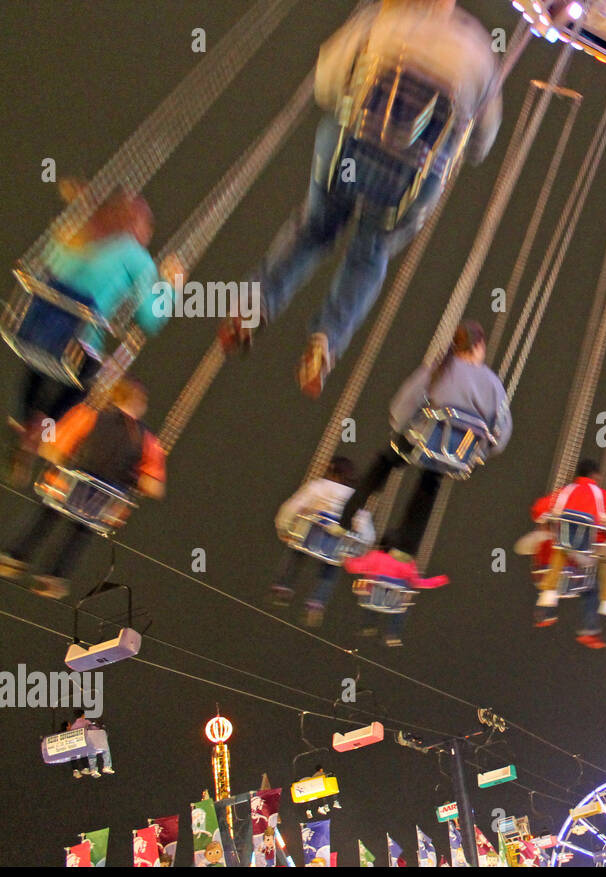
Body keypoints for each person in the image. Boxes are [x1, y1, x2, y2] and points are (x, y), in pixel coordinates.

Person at [218, 0, 503, 397]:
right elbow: (481, 145)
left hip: (349, 151)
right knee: (370, 254)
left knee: (314, 229)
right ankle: (326, 342)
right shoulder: (479, 50)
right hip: (408, 182)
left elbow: (327, 79)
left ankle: (253, 306)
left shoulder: (383, 19)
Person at [9, 184, 181, 477]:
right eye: (147, 224)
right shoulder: (136, 258)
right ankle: (39, 429)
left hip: (36, 326)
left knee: (39, 368)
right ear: (135, 224)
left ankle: (29, 426)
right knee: (87, 384)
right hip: (75, 340)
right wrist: (171, 287)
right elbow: (151, 319)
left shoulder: (78, 231)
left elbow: (48, 263)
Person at [339, 321, 510, 557]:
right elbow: (501, 431)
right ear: (479, 346)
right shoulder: (494, 385)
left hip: (422, 441)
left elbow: (404, 405)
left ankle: (349, 512)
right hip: (457, 454)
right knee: (431, 480)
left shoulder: (439, 368)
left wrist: (400, 428)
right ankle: (406, 545)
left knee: (388, 459)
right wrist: (479, 453)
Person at [0, 379, 165, 598]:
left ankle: (16, 557)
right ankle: (54, 577)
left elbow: (54, 447)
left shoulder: (88, 415)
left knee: (46, 515)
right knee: (79, 533)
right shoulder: (147, 441)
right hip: (101, 503)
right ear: (140, 403)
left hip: (69, 487)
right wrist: (136, 480)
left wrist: (57, 458)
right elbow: (154, 486)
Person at [532, 459, 606, 647]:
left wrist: (549, 518)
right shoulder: (603, 497)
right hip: (589, 549)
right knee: (604, 566)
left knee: (558, 563)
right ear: (595, 476)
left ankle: (546, 607)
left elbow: (538, 510)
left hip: (564, 547)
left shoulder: (564, 493)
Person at [271, 455, 375, 627]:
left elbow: (292, 507)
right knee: (331, 568)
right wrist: (358, 550)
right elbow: (366, 530)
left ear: (331, 469)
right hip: (334, 546)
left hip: (310, 537)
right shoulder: (355, 498)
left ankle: (283, 586)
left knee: (297, 552)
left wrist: (284, 528)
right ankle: (317, 602)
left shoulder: (318, 487)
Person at [343, 534, 448, 647]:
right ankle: (392, 634)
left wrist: (346, 559)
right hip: (394, 604)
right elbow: (415, 582)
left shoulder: (375, 556)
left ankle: (368, 626)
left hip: (373, 601)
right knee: (404, 597)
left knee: (372, 589)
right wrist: (438, 580)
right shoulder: (407, 563)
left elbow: (353, 567)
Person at [69, 711, 113, 778]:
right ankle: (107, 766)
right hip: (90, 741)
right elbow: (93, 729)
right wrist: (100, 727)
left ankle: (93, 769)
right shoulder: (86, 722)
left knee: (91, 754)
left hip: (81, 745)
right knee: (105, 749)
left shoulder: (73, 726)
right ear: (83, 715)